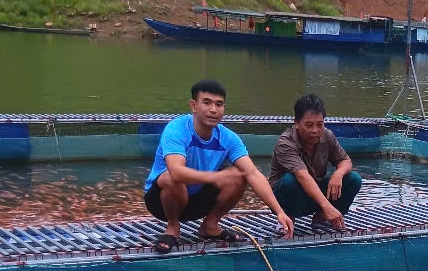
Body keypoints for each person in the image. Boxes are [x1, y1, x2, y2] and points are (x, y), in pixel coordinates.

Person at [144, 80, 294, 254]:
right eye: (207, 103)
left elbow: (253, 173)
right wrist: (215, 177)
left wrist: (279, 212)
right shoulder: (177, 129)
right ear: (194, 106)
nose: (213, 110)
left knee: (239, 174)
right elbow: (176, 172)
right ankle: (173, 227)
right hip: (161, 202)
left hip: (196, 201)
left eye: (219, 104)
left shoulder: (228, 138)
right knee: (170, 177)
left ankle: (210, 225)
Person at [267, 94, 362, 231]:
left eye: (320, 124)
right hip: (286, 197)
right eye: (309, 125)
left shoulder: (327, 135)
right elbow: (302, 176)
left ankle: (322, 218)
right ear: (296, 123)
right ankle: (287, 219)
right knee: (289, 181)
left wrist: (338, 174)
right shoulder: (285, 142)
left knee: (353, 179)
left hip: (314, 193)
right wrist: (327, 206)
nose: (315, 130)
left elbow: (345, 161)